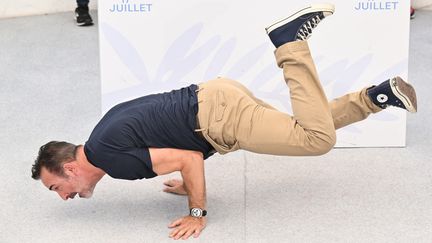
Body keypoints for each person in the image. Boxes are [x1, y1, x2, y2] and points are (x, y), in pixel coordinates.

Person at [31, 3, 417, 240]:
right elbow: (172, 139)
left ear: (68, 167)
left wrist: (197, 213)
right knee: (301, 127)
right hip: (215, 96)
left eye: (57, 187)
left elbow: (190, 156)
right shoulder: (102, 138)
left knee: (315, 139)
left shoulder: (110, 161)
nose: (65, 196)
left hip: (219, 117)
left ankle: (289, 44)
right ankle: (378, 96)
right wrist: (186, 179)